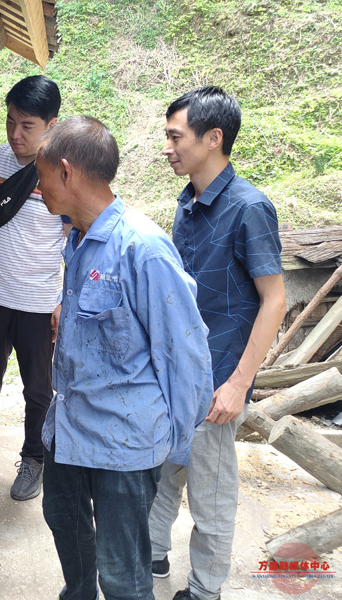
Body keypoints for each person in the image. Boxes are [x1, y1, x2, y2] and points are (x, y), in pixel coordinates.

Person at [36, 116, 213, 600]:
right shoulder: (77, 237)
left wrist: (171, 445)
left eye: (41, 174)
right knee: (63, 523)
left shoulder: (143, 249)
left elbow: (186, 356)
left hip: (123, 444)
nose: (38, 187)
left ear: (67, 173)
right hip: (70, 427)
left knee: (121, 572)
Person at [148, 87, 287, 600]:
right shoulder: (189, 201)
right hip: (179, 370)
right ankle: (153, 551)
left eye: (174, 136)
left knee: (210, 492)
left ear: (213, 138)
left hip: (218, 379)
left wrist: (237, 384)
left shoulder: (249, 207)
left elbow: (275, 300)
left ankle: (206, 589)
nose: (167, 147)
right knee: (164, 470)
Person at [0, 75, 70, 501]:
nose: (15, 134)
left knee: (37, 386)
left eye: (27, 126)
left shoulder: (61, 172)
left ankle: (33, 457)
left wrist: (62, 298)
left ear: (51, 126)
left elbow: (74, 240)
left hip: (38, 302)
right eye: (10, 122)